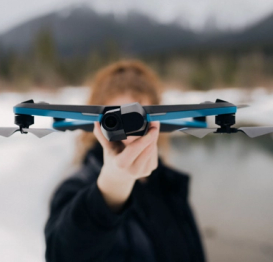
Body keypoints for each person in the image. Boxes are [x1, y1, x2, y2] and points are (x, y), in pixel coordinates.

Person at [44, 60, 206, 262]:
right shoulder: (76, 187)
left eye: (139, 121)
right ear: (96, 123)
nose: (129, 135)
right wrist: (110, 190)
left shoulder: (168, 184)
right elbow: (62, 253)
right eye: (116, 121)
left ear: (158, 123)